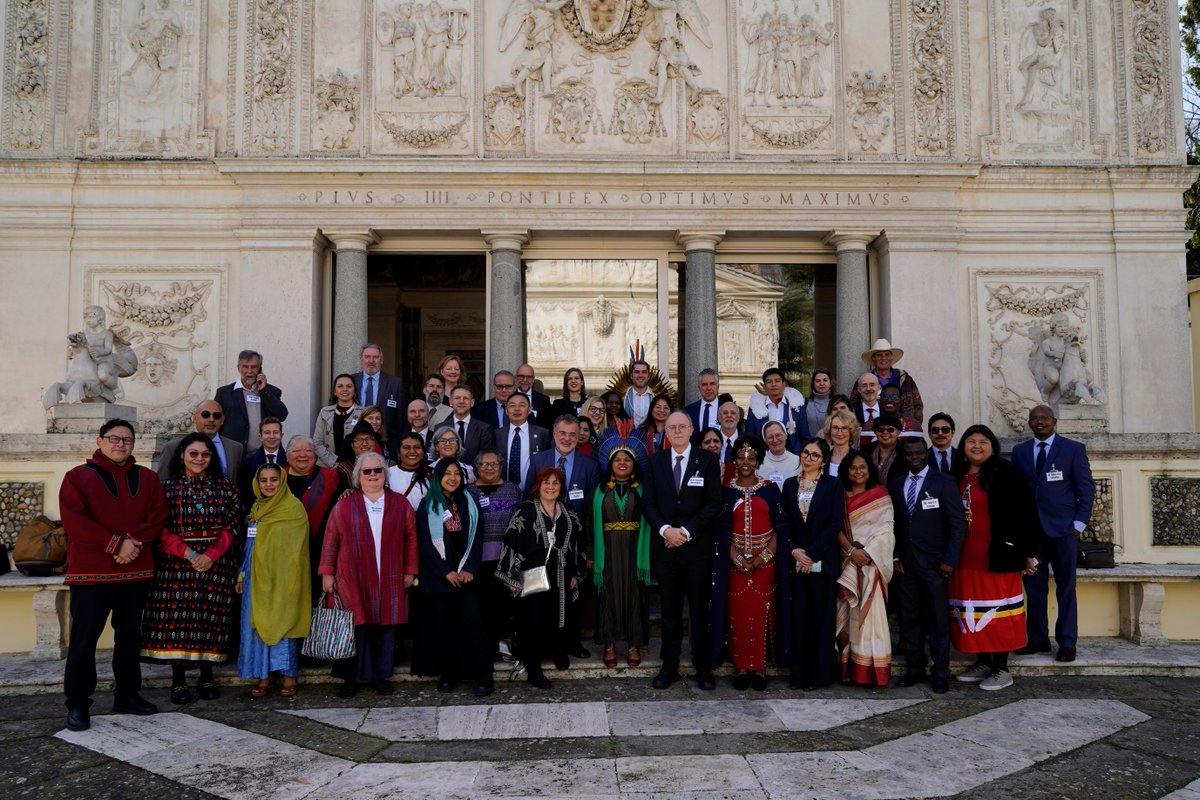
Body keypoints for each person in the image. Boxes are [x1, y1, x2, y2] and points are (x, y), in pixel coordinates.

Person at [60, 419, 166, 731]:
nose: (120, 444)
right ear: (100, 440)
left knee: (130, 639)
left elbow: (157, 517)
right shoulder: (77, 477)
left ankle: (128, 695)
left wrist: (131, 543)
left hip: (135, 573)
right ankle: (78, 704)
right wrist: (116, 543)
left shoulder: (147, 478)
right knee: (83, 641)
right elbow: (75, 521)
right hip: (91, 575)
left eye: (127, 440)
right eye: (114, 438)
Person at [141, 432, 242, 704]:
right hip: (176, 565)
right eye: (193, 453)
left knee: (210, 621)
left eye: (205, 454)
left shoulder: (226, 488)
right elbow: (159, 528)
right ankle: (178, 681)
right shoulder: (166, 489)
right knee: (178, 623)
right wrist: (187, 553)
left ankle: (207, 676)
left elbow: (233, 525)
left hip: (216, 564)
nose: (199, 459)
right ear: (182, 455)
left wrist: (210, 555)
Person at [319, 451, 418, 698]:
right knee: (354, 626)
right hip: (353, 577)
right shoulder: (344, 505)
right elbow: (330, 540)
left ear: (384, 474)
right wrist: (327, 574)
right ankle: (350, 678)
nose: (373, 475)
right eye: (367, 471)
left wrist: (410, 570)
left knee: (384, 628)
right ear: (357, 477)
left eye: (377, 470)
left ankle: (379, 676)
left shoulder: (400, 503)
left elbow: (411, 539)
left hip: (390, 576)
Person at [951, 425, 1040, 691]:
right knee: (972, 611)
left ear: (992, 445)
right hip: (965, 557)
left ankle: (1001, 668)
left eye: (983, 441)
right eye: (971, 441)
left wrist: (1026, 552)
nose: (977, 446)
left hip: (998, 555)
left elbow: (1024, 512)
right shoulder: (956, 474)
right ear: (963, 446)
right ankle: (982, 662)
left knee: (997, 612)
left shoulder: (1006, 472)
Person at [643, 411, 723, 690]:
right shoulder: (654, 462)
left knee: (699, 612)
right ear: (666, 432)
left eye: (681, 426)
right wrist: (666, 530)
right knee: (669, 611)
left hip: (696, 549)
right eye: (671, 427)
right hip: (665, 549)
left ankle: (702, 667)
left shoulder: (708, 460)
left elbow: (714, 503)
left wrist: (685, 532)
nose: (676, 431)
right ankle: (670, 665)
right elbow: (648, 503)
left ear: (691, 430)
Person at [1013, 404, 1095, 663]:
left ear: (1054, 421)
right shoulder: (1020, 452)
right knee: (1034, 588)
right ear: (1029, 423)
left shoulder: (1072, 449)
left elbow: (1086, 491)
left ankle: (1067, 642)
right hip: (1032, 534)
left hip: (1063, 533)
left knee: (1066, 588)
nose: (1039, 422)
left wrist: (1078, 526)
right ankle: (1037, 640)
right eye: (1034, 419)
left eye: (1044, 418)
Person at [497, 466, 586, 689]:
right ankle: (534, 668)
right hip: (533, 575)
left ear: (561, 488)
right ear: (538, 486)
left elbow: (577, 544)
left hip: (562, 574)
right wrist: (511, 578)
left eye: (555, 483)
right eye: (546, 482)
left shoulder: (568, 511)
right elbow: (511, 541)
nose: (551, 487)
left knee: (560, 614)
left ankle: (559, 650)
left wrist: (576, 571)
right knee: (534, 620)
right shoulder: (525, 511)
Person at [889, 437, 967, 693]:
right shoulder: (897, 483)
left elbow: (958, 525)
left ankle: (940, 673)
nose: (914, 457)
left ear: (926, 454)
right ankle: (914, 669)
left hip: (935, 565)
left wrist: (949, 561)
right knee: (909, 620)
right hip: (906, 565)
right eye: (909, 453)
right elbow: (895, 525)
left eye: (919, 453)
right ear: (904, 455)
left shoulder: (943, 482)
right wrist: (896, 556)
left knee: (937, 621)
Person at [413, 460, 493, 696]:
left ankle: (484, 676)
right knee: (443, 627)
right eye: (447, 473)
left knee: (473, 623)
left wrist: (468, 569)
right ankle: (447, 675)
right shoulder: (426, 505)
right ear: (438, 477)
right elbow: (425, 544)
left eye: (457, 473)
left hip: (467, 576)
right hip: (440, 578)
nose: (452, 478)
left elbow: (477, 538)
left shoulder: (470, 502)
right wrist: (445, 572)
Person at [714, 435, 786, 691]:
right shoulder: (725, 492)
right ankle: (741, 667)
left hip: (765, 565)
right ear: (734, 459)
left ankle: (760, 667)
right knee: (737, 615)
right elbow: (720, 532)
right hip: (733, 565)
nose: (746, 462)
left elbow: (780, 530)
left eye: (752, 457)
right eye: (741, 457)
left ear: (759, 461)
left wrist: (763, 557)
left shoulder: (770, 489)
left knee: (763, 614)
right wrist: (735, 557)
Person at [237, 464, 310, 698]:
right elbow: (249, 547)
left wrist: (291, 578)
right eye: (263, 480)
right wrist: (242, 574)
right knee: (257, 624)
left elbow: (298, 550)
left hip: (285, 579)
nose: (268, 484)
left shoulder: (293, 508)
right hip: (257, 578)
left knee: (285, 622)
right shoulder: (257, 508)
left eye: (273, 480)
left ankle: (289, 676)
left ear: (283, 481)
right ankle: (263, 675)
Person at [779, 437, 844, 691]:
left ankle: (819, 675)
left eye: (815, 455)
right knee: (798, 620)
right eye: (805, 453)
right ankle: (799, 674)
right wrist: (795, 551)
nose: (808, 458)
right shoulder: (788, 485)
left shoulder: (833, 485)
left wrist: (812, 554)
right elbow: (784, 524)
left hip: (822, 561)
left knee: (821, 619)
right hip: (795, 562)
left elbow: (834, 523)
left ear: (824, 460)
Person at [590, 425, 652, 669]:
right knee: (608, 594)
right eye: (618, 459)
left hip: (636, 549)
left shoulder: (644, 490)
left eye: (627, 459)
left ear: (634, 464)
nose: (623, 462)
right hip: (606, 549)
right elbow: (589, 521)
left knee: (635, 594)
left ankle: (634, 645)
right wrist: (590, 554)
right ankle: (609, 644)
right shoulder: (599, 490)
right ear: (610, 463)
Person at [835, 452, 894, 687]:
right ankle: (849, 669)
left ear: (869, 470)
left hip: (872, 565)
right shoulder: (839, 497)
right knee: (847, 617)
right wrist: (851, 552)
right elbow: (835, 527)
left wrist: (867, 554)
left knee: (871, 620)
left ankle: (870, 672)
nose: (858, 472)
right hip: (846, 563)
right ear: (846, 472)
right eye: (852, 468)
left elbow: (886, 531)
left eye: (862, 467)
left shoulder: (881, 496)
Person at [467, 449, 523, 660]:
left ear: (501, 467)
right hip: (476, 560)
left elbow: (521, 524)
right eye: (484, 464)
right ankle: (485, 648)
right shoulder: (468, 491)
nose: (489, 468)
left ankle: (504, 646)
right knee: (481, 606)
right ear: (477, 467)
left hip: (505, 560)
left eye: (494, 464)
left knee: (504, 606)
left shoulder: (513, 490)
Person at [282, 435, 339, 602]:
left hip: (315, 553)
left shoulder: (330, 477)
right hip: (282, 553)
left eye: (308, 450)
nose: (302, 455)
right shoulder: (277, 477)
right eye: (296, 451)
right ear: (287, 455)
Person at [214, 349, 289, 452]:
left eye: (254, 367)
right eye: (245, 366)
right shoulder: (224, 393)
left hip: (263, 454)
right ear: (238, 368)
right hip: (234, 453)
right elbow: (215, 423)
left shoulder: (271, 392)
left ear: (260, 369)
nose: (249, 371)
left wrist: (264, 391)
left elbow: (282, 415)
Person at [157, 399, 244, 483]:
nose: (211, 419)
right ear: (194, 417)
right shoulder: (172, 448)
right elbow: (161, 483)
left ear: (222, 420)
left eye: (216, 415)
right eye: (205, 414)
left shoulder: (235, 448)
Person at [851, 339, 924, 431]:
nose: (883, 358)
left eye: (887, 354)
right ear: (873, 358)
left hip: (902, 430)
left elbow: (918, 406)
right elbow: (852, 407)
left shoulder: (905, 380)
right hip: (872, 431)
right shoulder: (863, 381)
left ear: (891, 357)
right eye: (879, 355)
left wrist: (911, 427)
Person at [352, 342, 406, 453]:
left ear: (381, 360)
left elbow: (401, 419)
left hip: (386, 443)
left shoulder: (395, 383)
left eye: (375, 357)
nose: (371, 361)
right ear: (361, 360)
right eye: (367, 357)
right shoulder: (351, 381)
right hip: (356, 442)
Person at [494, 392, 549, 491]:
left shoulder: (542, 434)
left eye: (522, 405)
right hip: (503, 491)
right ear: (506, 410)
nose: (517, 409)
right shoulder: (497, 434)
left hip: (533, 490)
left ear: (529, 410)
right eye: (512, 405)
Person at [747, 367, 810, 451]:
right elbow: (749, 437)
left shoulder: (796, 407)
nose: (773, 384)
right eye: (769, 382)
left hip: (793, 456)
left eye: (777, 381)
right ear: (764, 387)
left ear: (784, 384)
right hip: (765, 458)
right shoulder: (755, 408)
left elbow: (805, 436)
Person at [436, 385, 494, 467]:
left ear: (472, 402)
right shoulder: (439, 428)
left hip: (474, 477)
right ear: (450, 402)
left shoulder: (484, 428)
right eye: (457, 398)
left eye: (465, 398)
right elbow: (437, 456)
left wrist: (472, 475)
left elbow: (485, 458)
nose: (461, 401)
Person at [313, 373, 362, 468]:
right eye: (340, 386)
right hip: (327, 467)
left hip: (354, 468)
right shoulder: (324, 412)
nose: (344, 389)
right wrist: (333, 462)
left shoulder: (363, 413)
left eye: (349, 386)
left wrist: (348, 465)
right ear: (335, 391)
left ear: (354, 391)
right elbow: (317, 442)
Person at [239, 416, 288, 510]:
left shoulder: (289, 460)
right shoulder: (247, 462)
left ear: (281, 435)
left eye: (276, 432)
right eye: (267, 433)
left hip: (283, 510)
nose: (272, 436)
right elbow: (245, 492)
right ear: (260, 437)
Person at [336, 421, 388, 496]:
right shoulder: (343, 469)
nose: (364, 444)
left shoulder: (389, 465)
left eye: (369, 439)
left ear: (376, 443)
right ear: (352, 445)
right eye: (359, 440)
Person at [386, 431, 432, 511]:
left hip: (425, 522)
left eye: (417, 447)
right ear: (398, 453)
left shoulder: (431, 474)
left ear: (423, 452)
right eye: (406, 448)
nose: (412, 452)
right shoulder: (387, 474)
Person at [862, 414, 908, 487]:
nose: (885, 432)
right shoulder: (865, 450)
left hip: (896, 495)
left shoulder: (906, 451)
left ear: (898, 432)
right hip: (869, 495)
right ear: (875, 432)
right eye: (880, 429)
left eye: (890, 430)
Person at [683, 368, 722, 443]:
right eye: (704, 384)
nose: (708, 388)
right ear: (699, 388)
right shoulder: (688, 411)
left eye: (712, 384)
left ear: (717, 386)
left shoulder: (727, 410)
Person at [757, 420, 799, 487]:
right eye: (770, 437)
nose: (775, 440)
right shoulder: (757, 462)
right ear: (765, 440)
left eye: (778, 435)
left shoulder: (798, 461)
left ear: (785, 436)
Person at [822, 408, 859, 478]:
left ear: (851, 431)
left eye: (844, 428)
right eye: (835, 428)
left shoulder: (859, 458)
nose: (839, 433)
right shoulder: (823, 459)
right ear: (829, 430)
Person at [852, 373, 883, 446]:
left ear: (878, 387)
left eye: (872, 385)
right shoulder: (852, 413)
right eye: (864, 385)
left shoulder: (887, 412)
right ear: (858, 390)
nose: (868, 389)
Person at [623, 360, 654, 426]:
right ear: (631, 376)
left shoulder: (656, 397)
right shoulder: (623, 398)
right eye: (637, 372)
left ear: (648, 376)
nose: (640, 375)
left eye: (644, 372)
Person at [805, 368, 834, 437]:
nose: (822, 383)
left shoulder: (838, 403)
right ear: (813, 384)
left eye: (825, 380)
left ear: (830, 383)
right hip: (811, 445)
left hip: (833, 446)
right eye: (818, 381)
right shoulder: (805, 403)